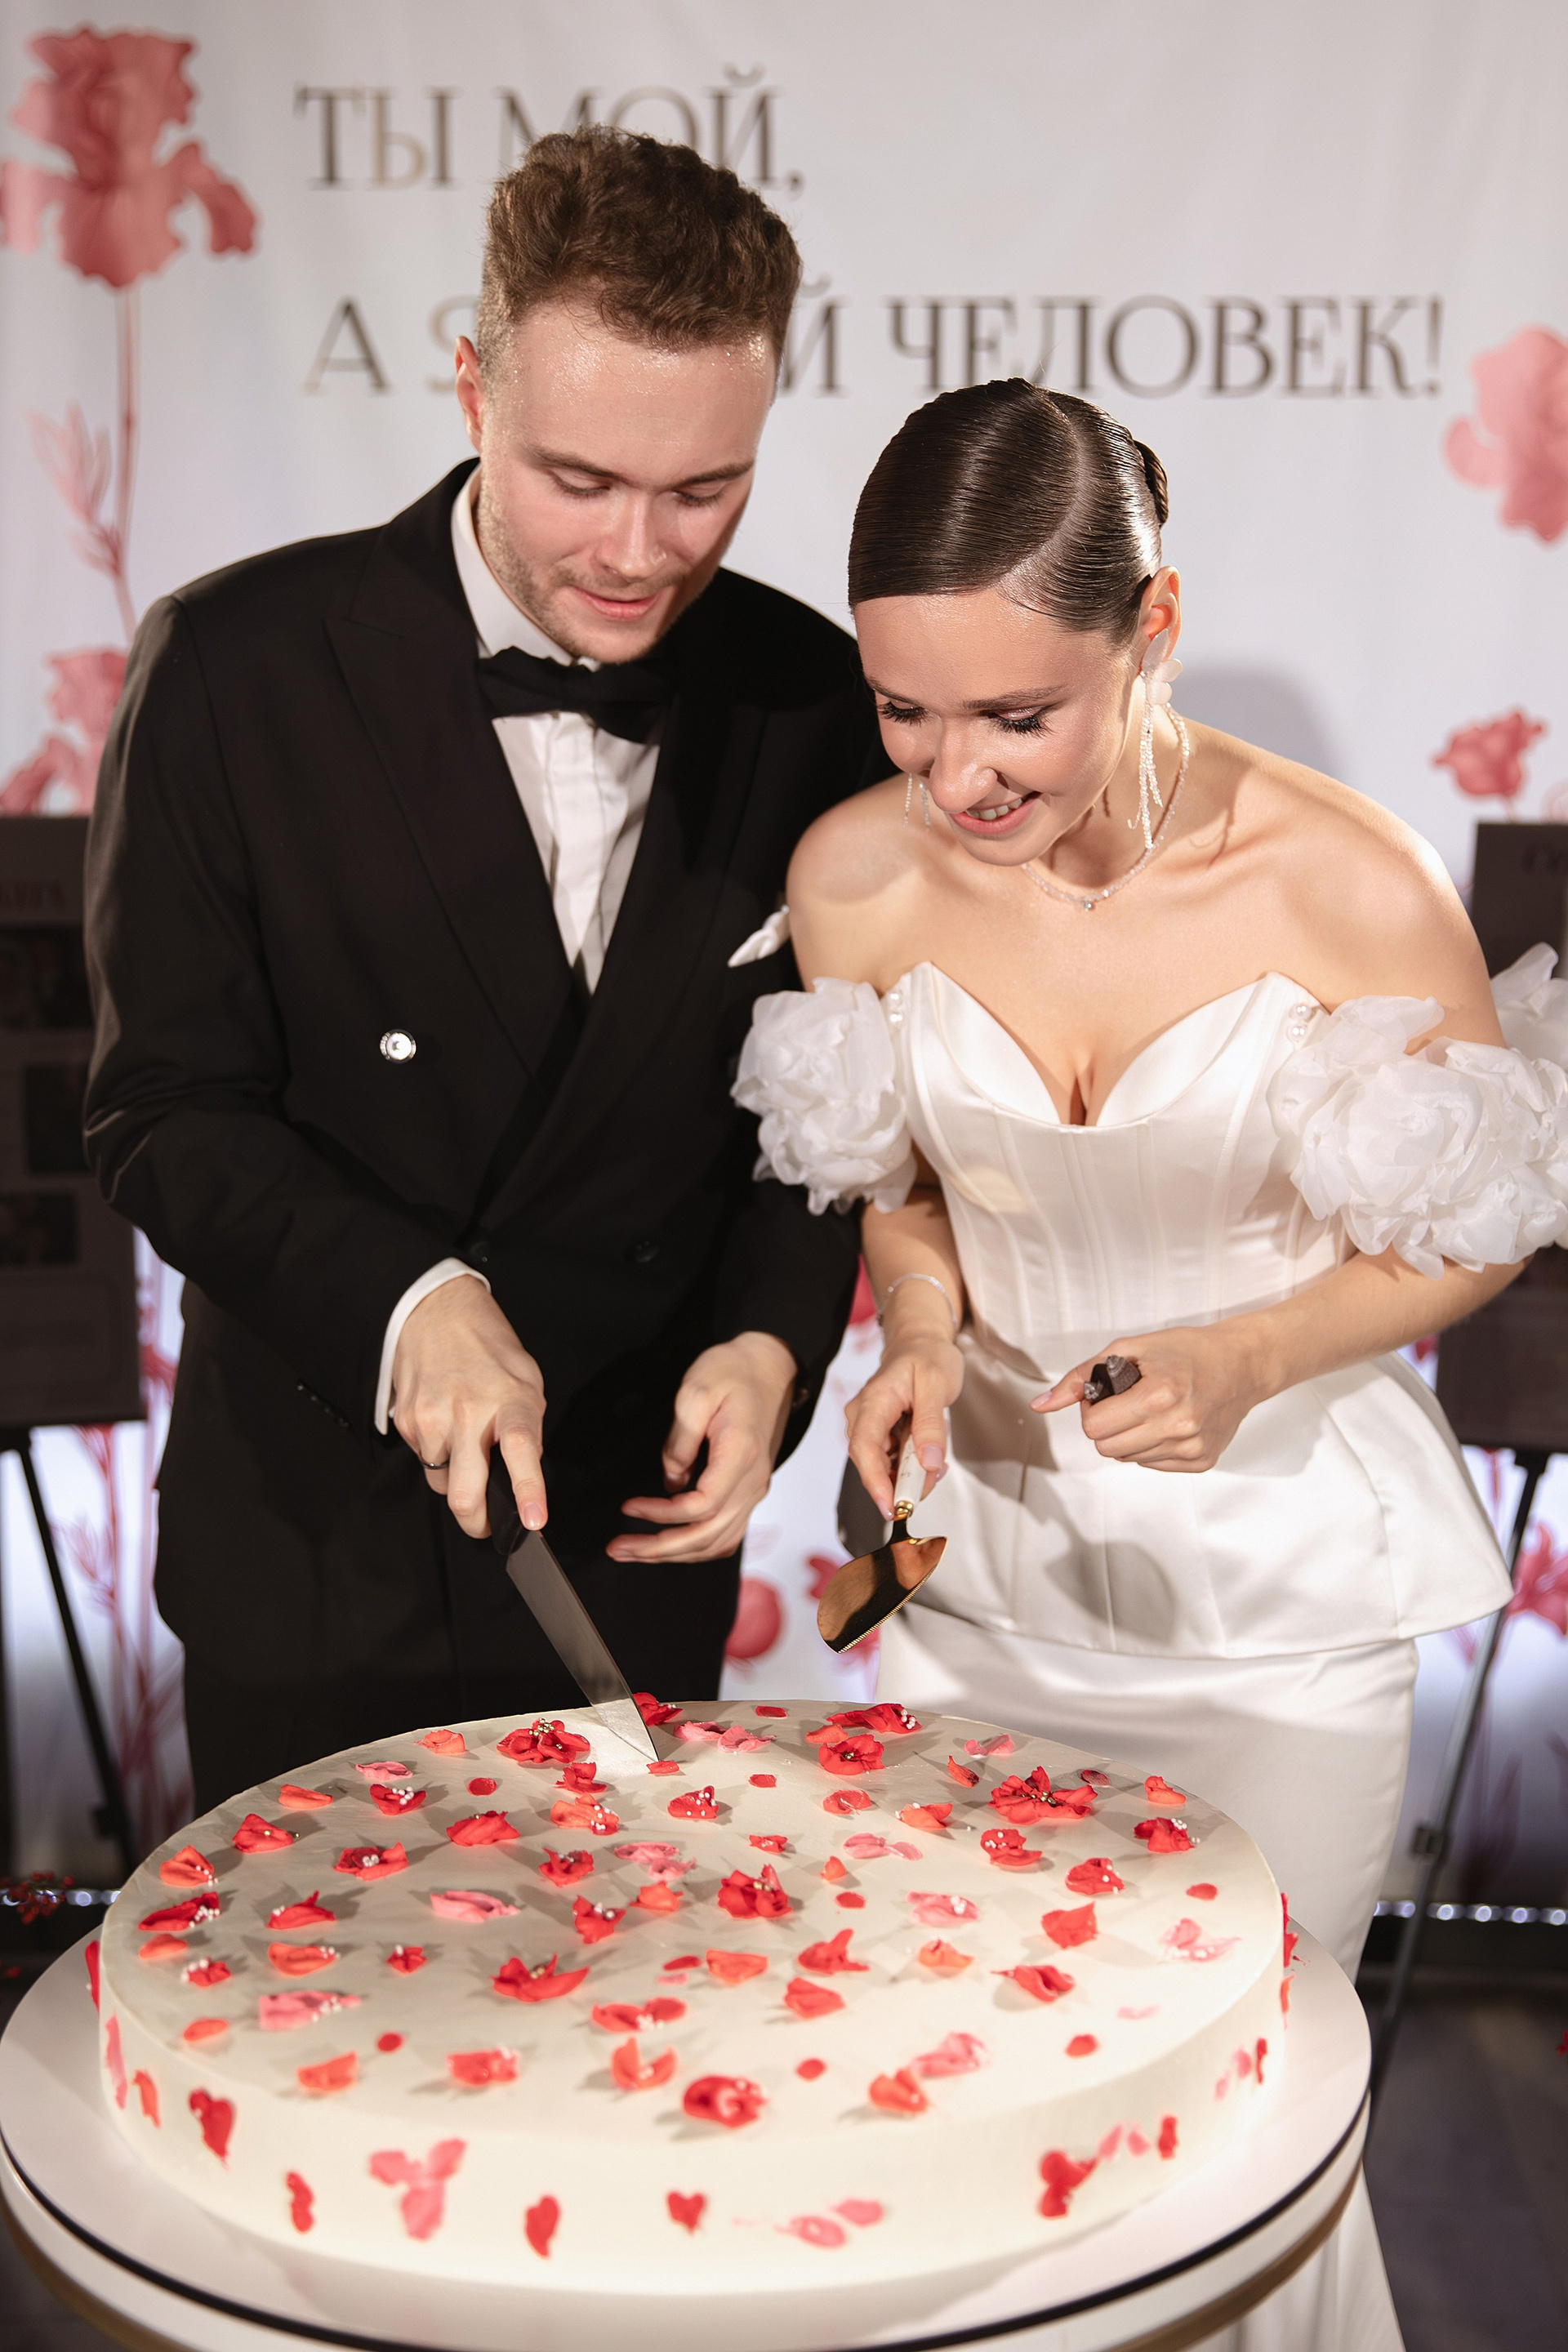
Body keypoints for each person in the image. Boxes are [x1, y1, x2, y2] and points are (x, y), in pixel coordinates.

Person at [737, 381, 1568, 2350]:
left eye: (1016, 716)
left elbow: (1477, 1223)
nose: (956, 775)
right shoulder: (850, 877)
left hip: (1278, 1618)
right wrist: (917, 1336)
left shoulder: (1344, 879)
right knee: (983, 2116)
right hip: (983, 1598)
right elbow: (898, 1182)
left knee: (1233, 2133)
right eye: (904, 710)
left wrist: (1259, 1348)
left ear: (1154, 626)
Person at [84, 129, 890, 1813]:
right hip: (315, 1542)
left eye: (703, 490)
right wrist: (408, 1299)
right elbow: (164, 1107)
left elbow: (817, 1109)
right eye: (578, 480)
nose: (641, 550)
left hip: (628, 1534)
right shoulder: (236, 665)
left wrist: (769, 1343)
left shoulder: (815, 698)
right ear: (471, 387)